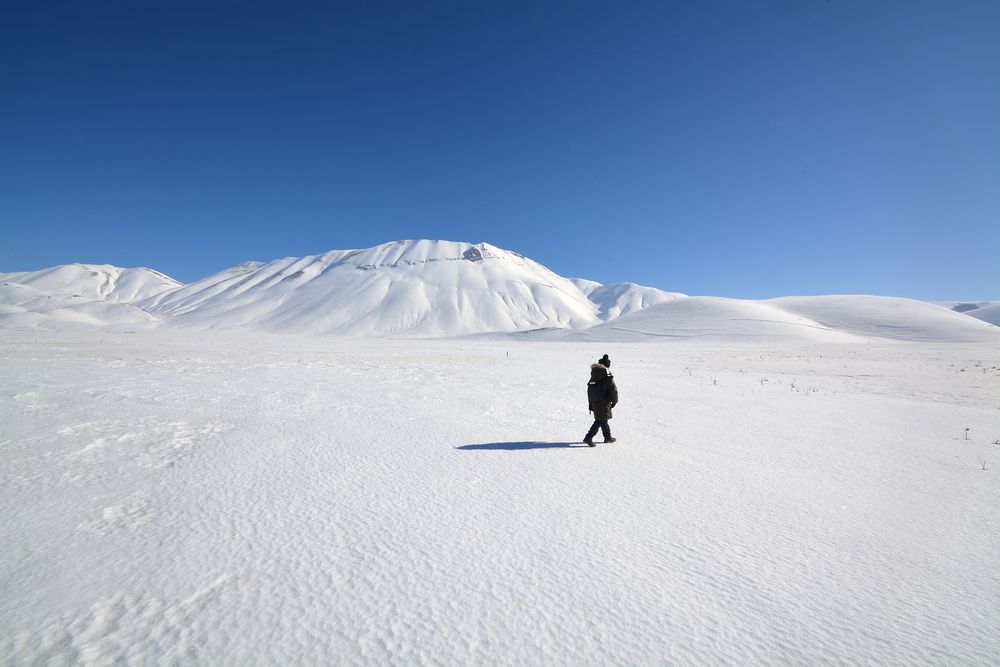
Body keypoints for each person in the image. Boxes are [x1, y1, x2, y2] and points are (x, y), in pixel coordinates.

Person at [584, 354, 619, 446]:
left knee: (603, 419)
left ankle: (607, 437)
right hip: (604, 401)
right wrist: (615, 401)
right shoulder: (607, 375)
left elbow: (589, 389)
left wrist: (591, 402)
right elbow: (613, 390)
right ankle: (588, 437)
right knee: (600, 420)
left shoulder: (594, 374)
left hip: (595, 401)